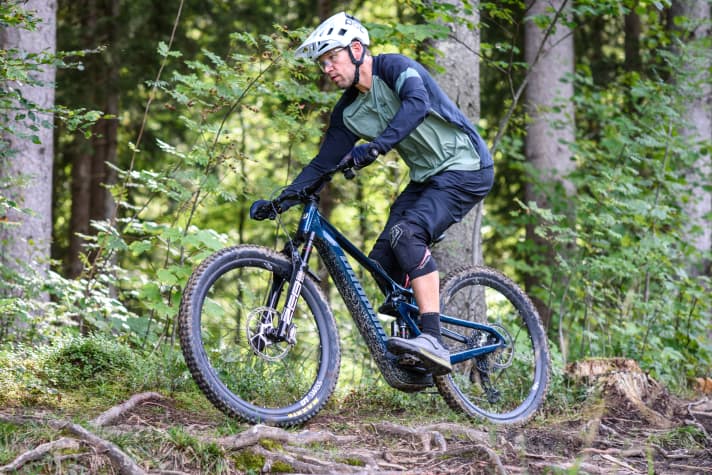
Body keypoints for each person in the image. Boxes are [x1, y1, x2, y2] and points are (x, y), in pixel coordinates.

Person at [250, 12, 494, 375]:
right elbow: (323, 164)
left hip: (466, 166)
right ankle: (413, 345)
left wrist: (376, 147)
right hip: (428, 176)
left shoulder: (394, 68)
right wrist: (282, 200)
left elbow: (416, 104)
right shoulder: (348, 110)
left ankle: (432, 340)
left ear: (357, 48)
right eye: (322, 63)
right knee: (381, 262)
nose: (327, 69)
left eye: (332, 58)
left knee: (406, 233)